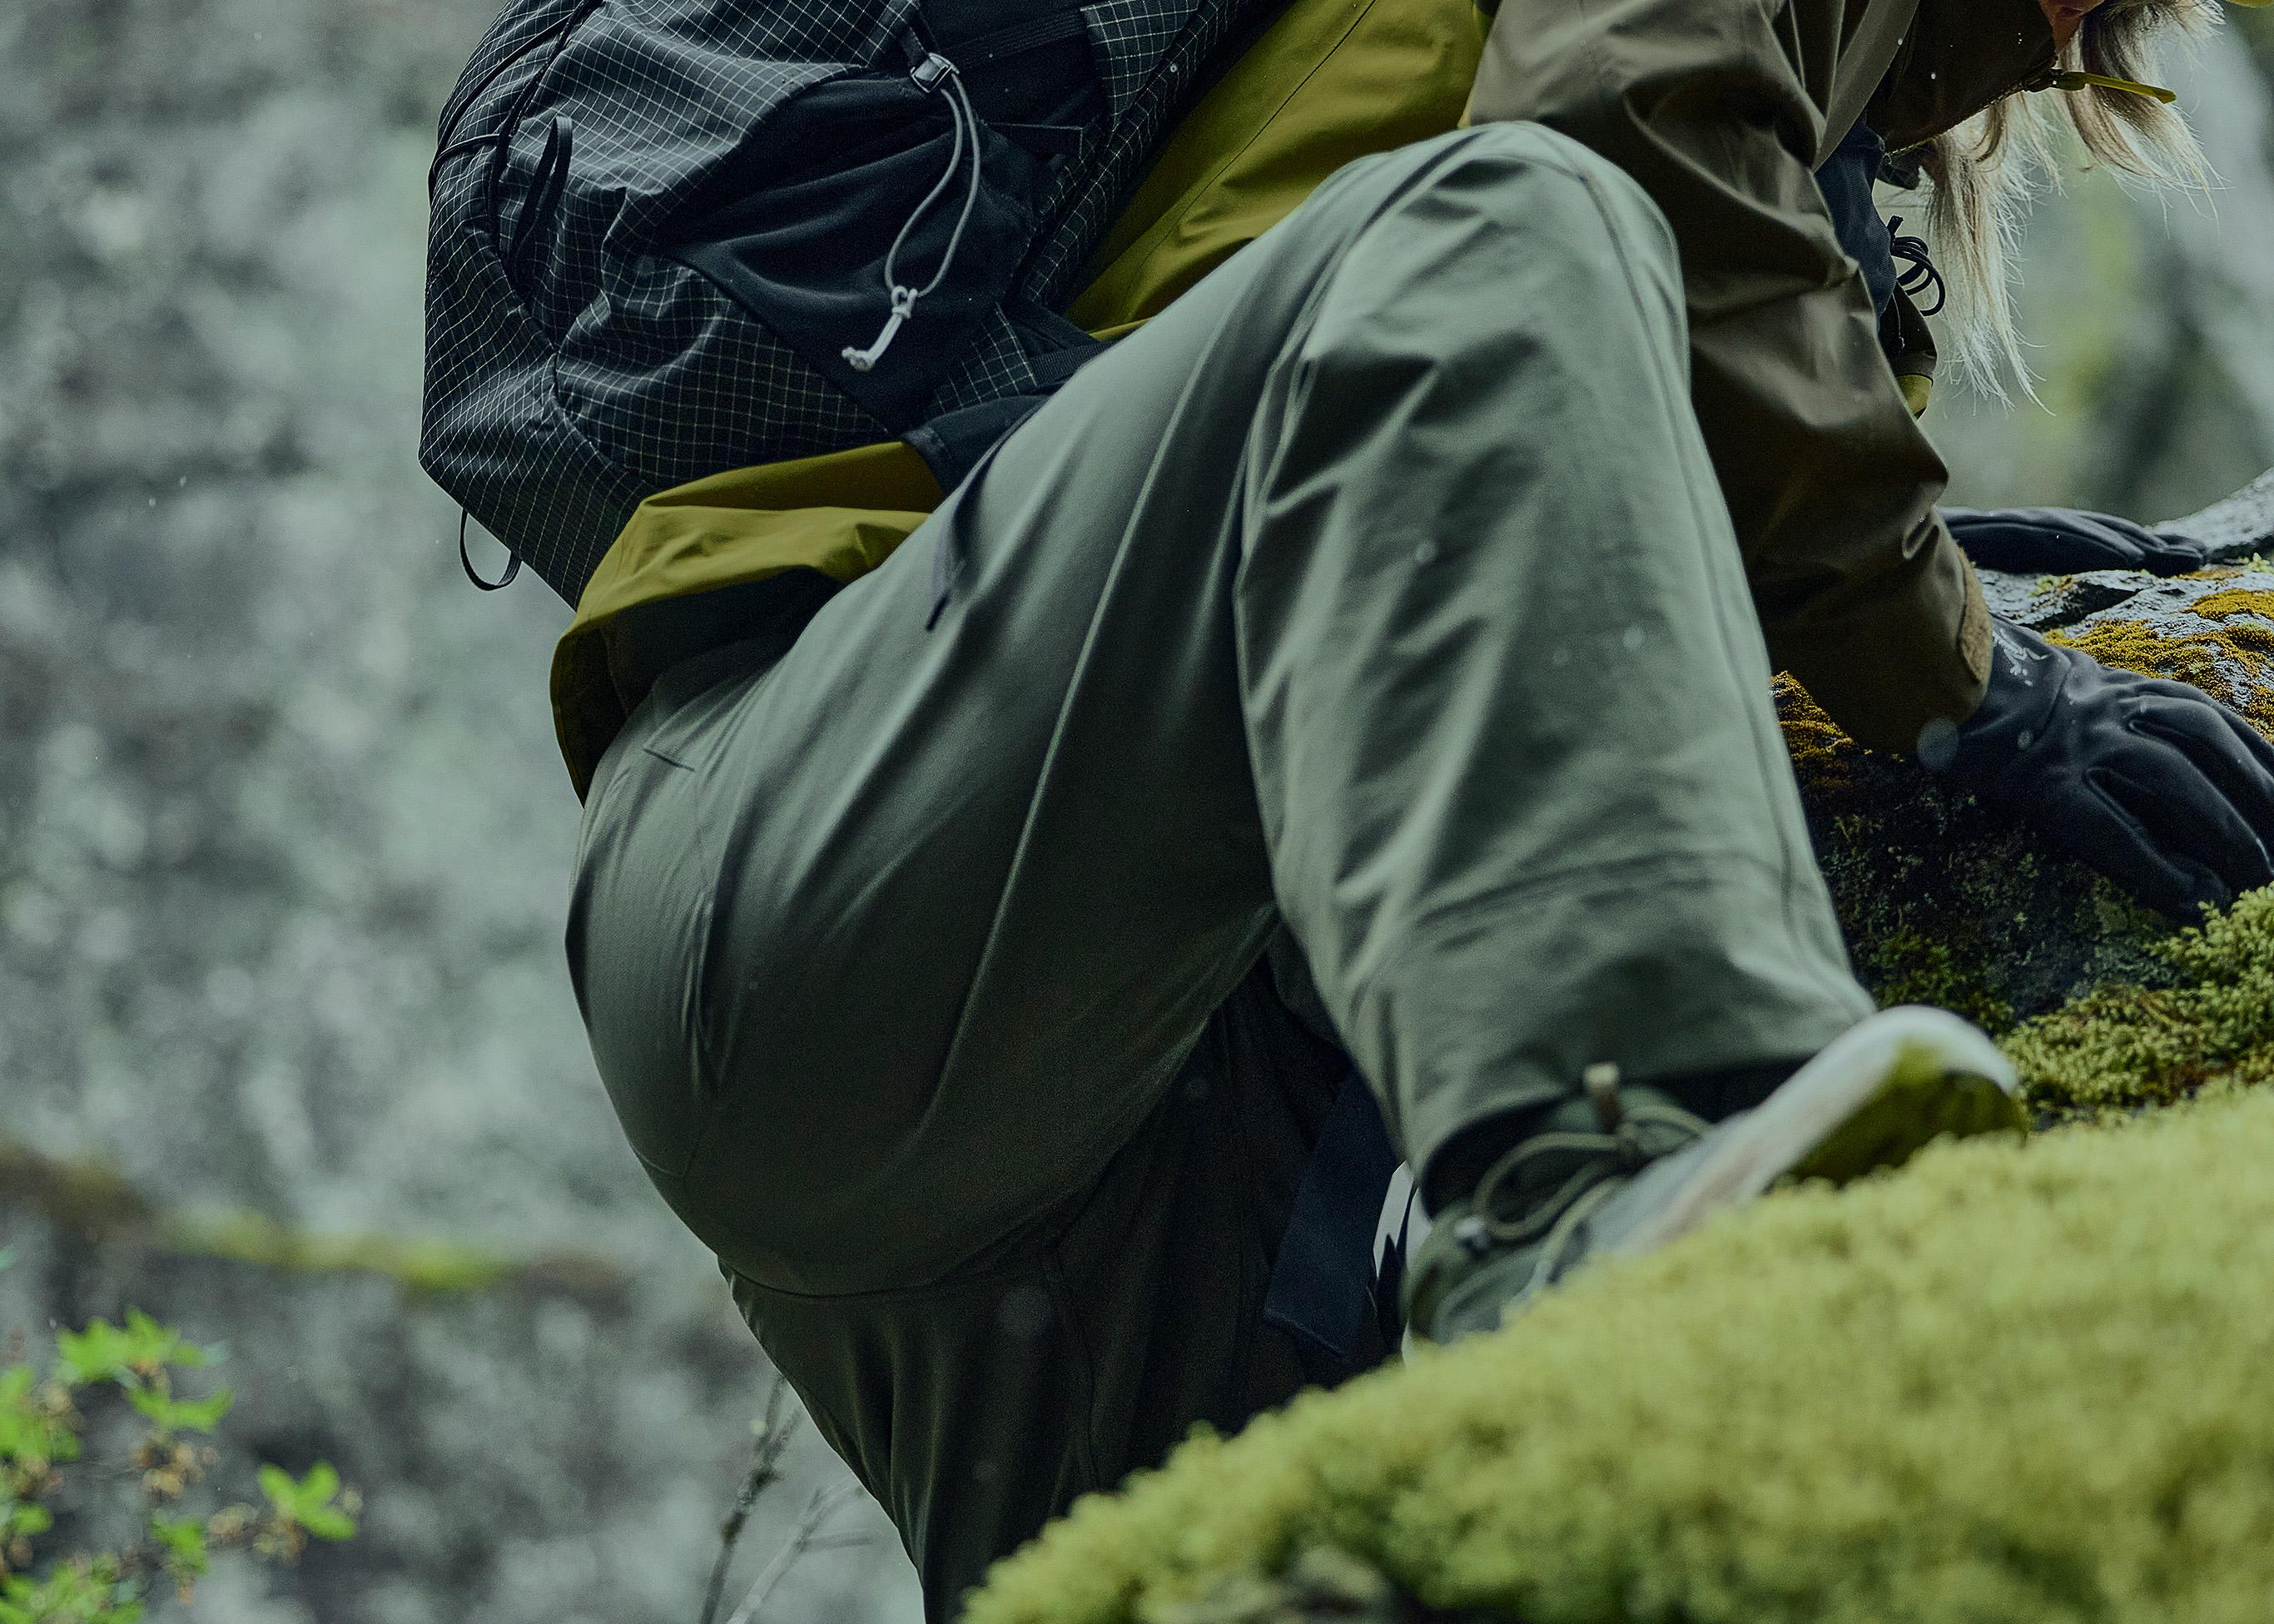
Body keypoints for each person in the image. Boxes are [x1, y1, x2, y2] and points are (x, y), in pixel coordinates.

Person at [548, 0, 2274, 1614]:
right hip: (844, 851)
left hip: (1121, 1129)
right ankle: (1628, 1152)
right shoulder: (1614, 139)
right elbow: (1614, 116)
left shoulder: (1829, 141)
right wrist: (1973, 683)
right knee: (1504, 222)